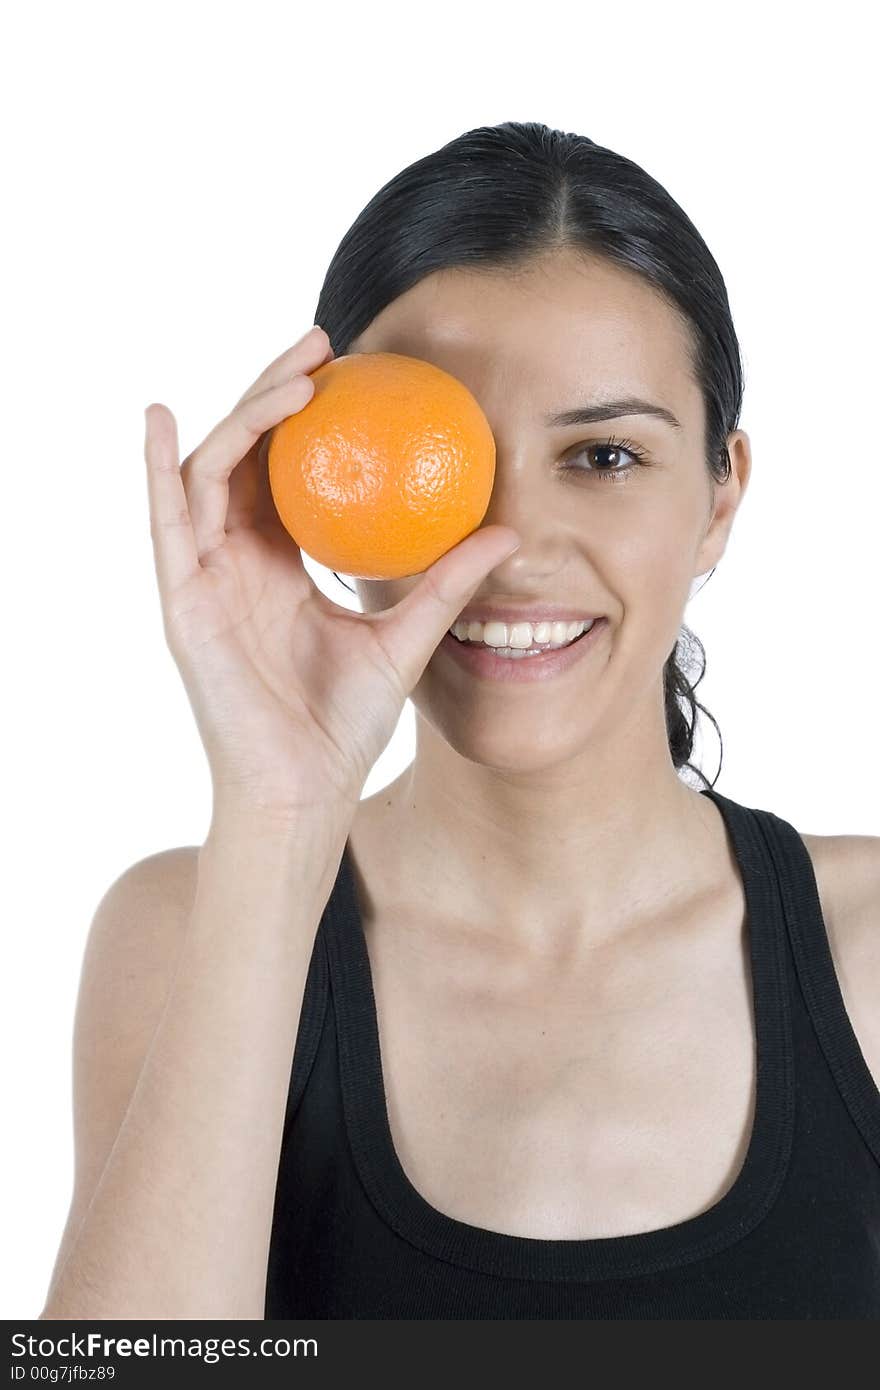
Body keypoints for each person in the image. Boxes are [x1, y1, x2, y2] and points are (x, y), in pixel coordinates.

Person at [40, 121, 880, 1321]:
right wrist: (278, 814)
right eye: (432, 455)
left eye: (601, 454)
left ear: (719, 495)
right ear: (308, 479)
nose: (509, 549)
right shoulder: (183, 928)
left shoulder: (868, 950)